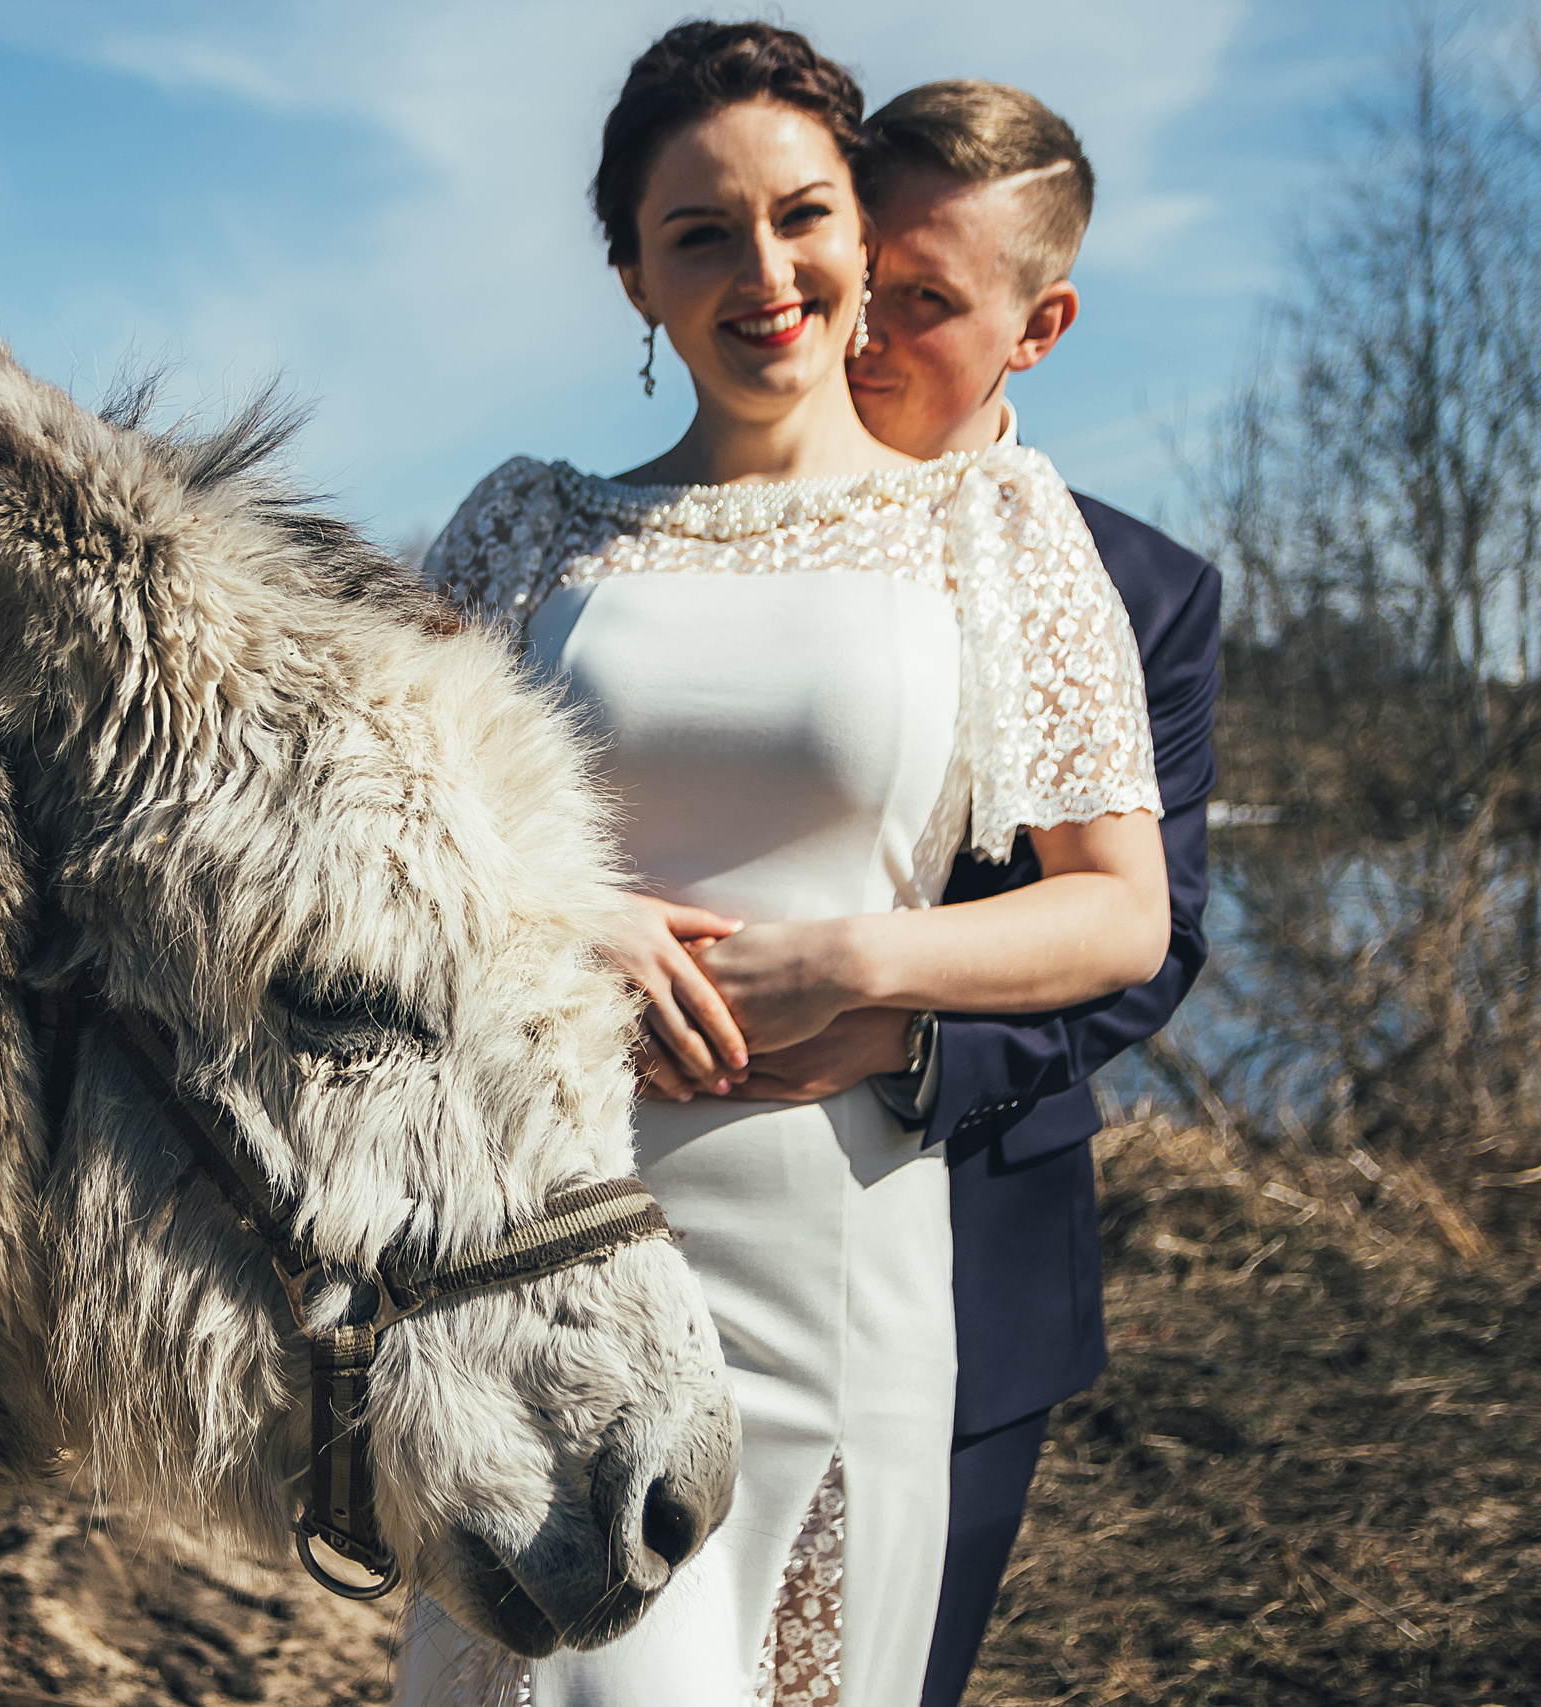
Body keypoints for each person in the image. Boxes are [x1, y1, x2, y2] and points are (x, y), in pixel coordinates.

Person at [398, 22, 1169, 1707]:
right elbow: (391, 854)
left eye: (805, 216)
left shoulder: (998, 531)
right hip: (548, 1244)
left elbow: (1122, 910)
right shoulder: (526, 529)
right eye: (701, 234)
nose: (769, 272)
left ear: (859, 234)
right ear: (635, 282)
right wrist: (570, 919)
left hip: (841, 1261)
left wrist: (867, 967)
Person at [832, 81, 1219, 1707]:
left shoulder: (1142, 591)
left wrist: (905, 1047)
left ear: (1038, 326)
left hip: (974, 1249)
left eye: (924, 301)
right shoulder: (676, 545)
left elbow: (1154, 940)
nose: (860, 334)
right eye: (854, 277)